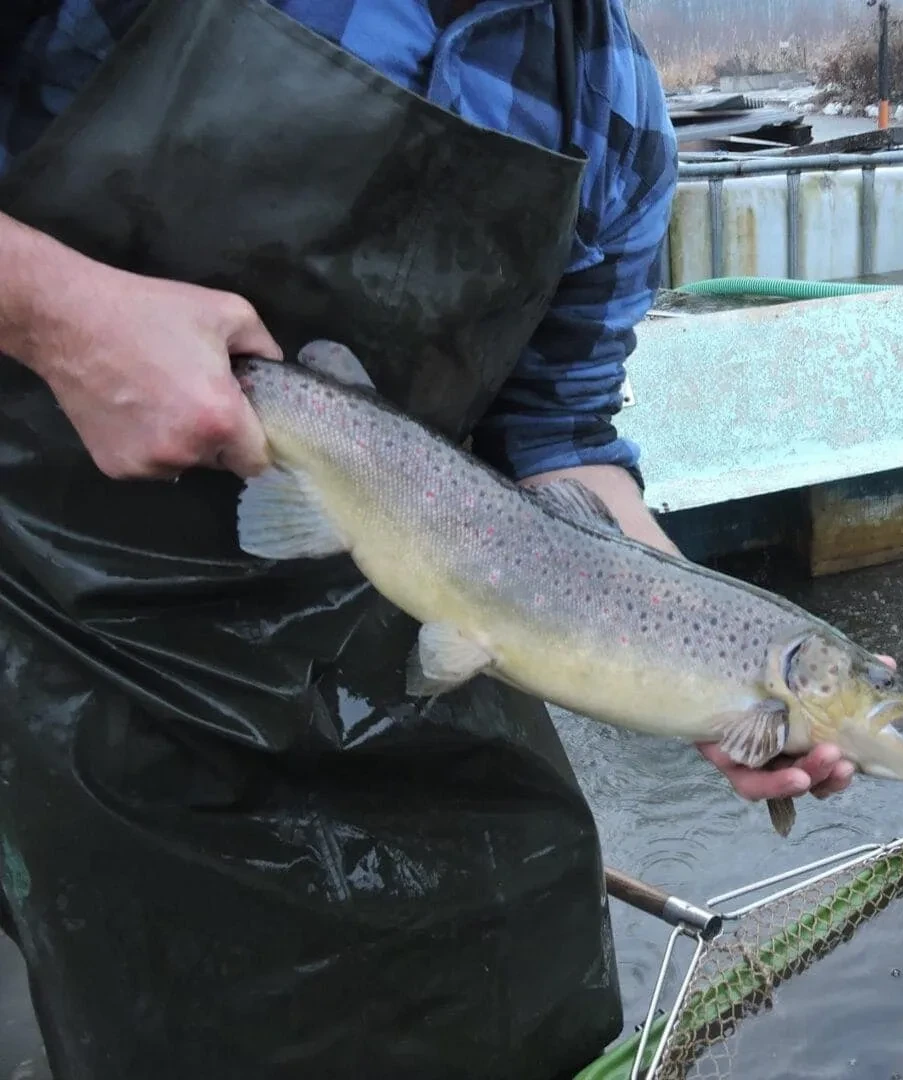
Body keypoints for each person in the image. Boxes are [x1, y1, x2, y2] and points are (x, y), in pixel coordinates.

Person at [0, 2, 856, 1078]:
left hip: (404, 593)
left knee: (524, 962)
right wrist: (53, 313)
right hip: (60, 613)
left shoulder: (615, 112)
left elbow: (560, 443)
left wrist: (702, 646)